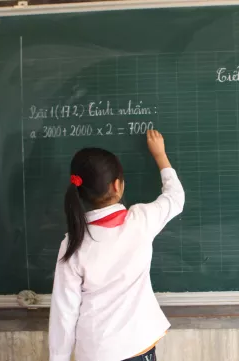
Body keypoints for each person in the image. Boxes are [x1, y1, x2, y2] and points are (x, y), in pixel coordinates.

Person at [49, 130, 185, 361]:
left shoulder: (73, 244)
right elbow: (175, 198)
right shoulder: (140, 221)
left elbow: (65, 312)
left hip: (96, 351)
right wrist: (160, 155)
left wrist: (58, 358)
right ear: (117, 186)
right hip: (138, 347)